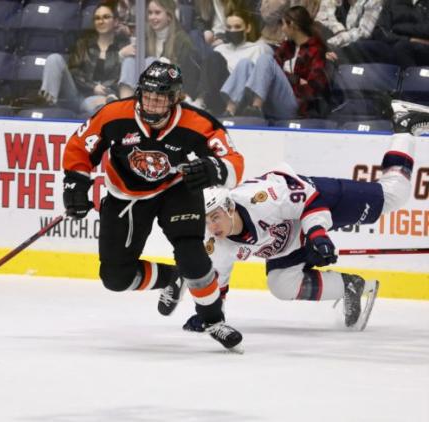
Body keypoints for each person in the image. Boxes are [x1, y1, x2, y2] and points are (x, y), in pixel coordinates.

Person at [182, 100, 428, 334]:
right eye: (207, 220)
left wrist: (317, 235)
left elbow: (311, 202)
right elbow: (219, 282)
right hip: (291, 244)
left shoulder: (261, 198)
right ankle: (350, 286)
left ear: (229, 208)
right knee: (280, 284)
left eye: (215, 217)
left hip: (316, 199)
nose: (212, 227)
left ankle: (404, 127)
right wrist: (211, 316)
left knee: (395, 194)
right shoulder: (217, 242)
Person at [62, 61, 245, 352]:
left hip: (177, 189)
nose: (153, 103)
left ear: (176, 98)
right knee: (115, 278)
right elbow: (80, 147)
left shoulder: (199, 124)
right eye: (148, 95)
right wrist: (75, 183)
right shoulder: (113, 115)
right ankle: (172, 278)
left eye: (161, 98)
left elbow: (234, 161)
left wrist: (214, 170)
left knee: (193, 257)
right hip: (125, 194)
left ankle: (213, 320)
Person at [220, 5, 329, 119]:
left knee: (266, 59)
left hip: (297, 105)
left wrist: (291, 80)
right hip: (275, 100)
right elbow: (272, 71)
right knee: (245, 63)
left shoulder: (316, 50)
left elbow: (315, 89)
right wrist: (295, 79)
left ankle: (256, 108)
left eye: (283, 24)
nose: (282, 29)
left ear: (292, 25)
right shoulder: (287, 46)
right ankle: (230, 110)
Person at [38, 2, 128, 115]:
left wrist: (106, 91)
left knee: (100, 105)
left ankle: (105, 107)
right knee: (54, 59)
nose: (101, 21)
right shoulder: (84, 43)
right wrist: (93, 87)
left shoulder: (123, 47)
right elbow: (74, 71)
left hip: (106, 97)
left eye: (106, 17)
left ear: (115, 21)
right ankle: (48, 101)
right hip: (77, 95)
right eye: (97, 18)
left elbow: (123, 78)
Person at [193, 6, 272, 115]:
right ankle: (201, 101)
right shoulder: (219, 49)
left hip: (245, 97)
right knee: (213, 57)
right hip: (221, 97)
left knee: (244, 64)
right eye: (229, 27)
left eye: (237, 26)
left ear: (248, 28)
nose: (232, 30)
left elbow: (262, 79)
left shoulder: (259, 48)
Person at [117, 0, 201, 99]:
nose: (152, 17)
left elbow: (189, 75)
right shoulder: (145, 38)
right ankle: (126, 103)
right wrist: (121, 54)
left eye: (157, 13)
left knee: (151, 61)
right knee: (129, 61)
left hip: (171, 92)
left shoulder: (182, 40)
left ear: (169, 16)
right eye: (150, 13)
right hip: (143, 89)